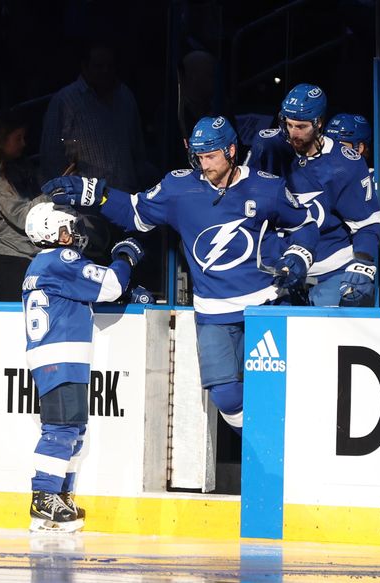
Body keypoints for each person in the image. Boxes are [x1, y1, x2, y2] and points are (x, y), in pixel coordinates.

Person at [43, 116, 318, 435]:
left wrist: (299, 257)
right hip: (213, 313)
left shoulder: (267, 187)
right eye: (199, 157)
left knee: (273, 391)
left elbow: (304, 224)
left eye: (211, 156)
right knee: (227, 398)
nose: (205, 165)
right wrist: (95, 194)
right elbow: (135, 213)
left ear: (231, 150)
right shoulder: (179, 188)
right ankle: (264, 449)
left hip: (264, 307)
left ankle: (282, 459)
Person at [22, 202, 142, 533]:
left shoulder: (41, 263)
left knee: (74, 430)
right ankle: (44, 497)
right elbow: (111, 285)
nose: (73, 234)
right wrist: (125, 258)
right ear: (52, 233)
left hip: (59, 356)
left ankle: (59, 495)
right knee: (62, 428)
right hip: (59, 356)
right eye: (66, 228)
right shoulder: (62, 259)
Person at [253, 83, 380, 307]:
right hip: (281, 267)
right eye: (289, 125)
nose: (293, 133)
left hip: (331, 269)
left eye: (301, 127)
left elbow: (367, 225)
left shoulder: (345, 164)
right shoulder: (269, 147)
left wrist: (363, 263)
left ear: (319, 122)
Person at [39, 40, 151, 192]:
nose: (105, 71)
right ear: (85, 67)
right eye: (98, 66)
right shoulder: (65, 100)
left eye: (109, 66)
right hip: (85, 202)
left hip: (125, 197)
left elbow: (138, 149)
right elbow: (51, 155)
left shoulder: (125, 96)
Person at [325, 113, 380, 308]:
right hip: (342, 291)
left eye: (339, 145)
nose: (331, 152)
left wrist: (354, 274)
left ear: (359, 148)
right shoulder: (326, 182)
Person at [0, 110, 51, 301]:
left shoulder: (23, 169)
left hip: (31, 254)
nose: (24, 144)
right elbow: (22, 215)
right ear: (1, 140)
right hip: (10, 257)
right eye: (18, 138)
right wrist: (52, 194)